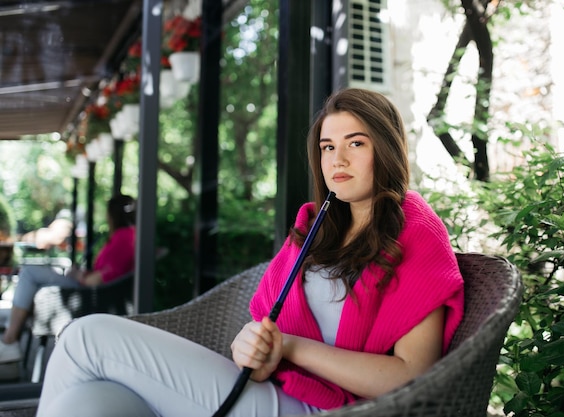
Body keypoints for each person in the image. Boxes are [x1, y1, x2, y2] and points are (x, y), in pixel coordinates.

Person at [35, 89, 464, 417]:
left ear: (384, 148)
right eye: (328, 146)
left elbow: (413, 375)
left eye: (356, 143)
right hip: (273, 387)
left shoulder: (415, 232)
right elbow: (266, 320)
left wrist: (290, 349)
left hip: (326, 409)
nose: (338, 158)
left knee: (84, 337)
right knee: (86, 401)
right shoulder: (318, 224)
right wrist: (253, 349)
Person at [0, 194, 136, 364]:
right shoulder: (127, 236)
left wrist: (78, 275)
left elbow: (98, 280)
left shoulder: (123, 239)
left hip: (87, 293)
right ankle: (11, 338)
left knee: (29, 274)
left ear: (113, 215)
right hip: (88, 289)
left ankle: (9, 340)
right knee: (33, 280)